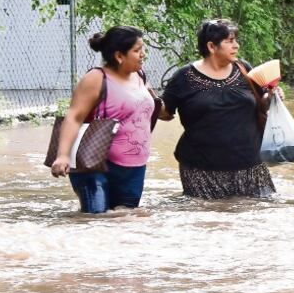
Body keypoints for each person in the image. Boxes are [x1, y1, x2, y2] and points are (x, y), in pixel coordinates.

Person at [159, 18, 275, 199]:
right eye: (229, 41)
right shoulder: (184, 77)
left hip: (250, 164)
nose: (236, 46)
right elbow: (165, 113)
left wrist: (272, 97)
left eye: (236, 40)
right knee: (209, 219)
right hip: (201, 169)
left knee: (255, 217)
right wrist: (146, 100)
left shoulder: (244, 69)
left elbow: (262, 102)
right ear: (212, 46)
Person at [51, 26, 158, 213]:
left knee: (126, 220)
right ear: (119, 56)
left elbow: (146, 109)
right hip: (96, 165)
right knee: (95, 220)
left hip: (135, 167)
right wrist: (62, 155)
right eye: (137, 50)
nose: (143, 54)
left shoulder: (140, 76)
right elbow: (74, 117)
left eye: (143, 49)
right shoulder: (96, 78)